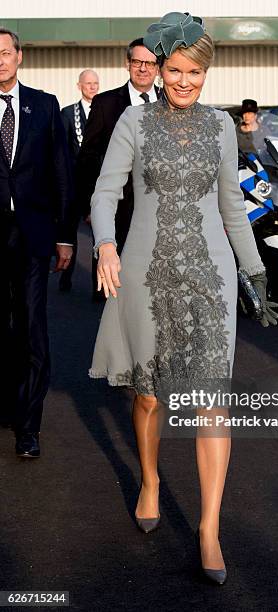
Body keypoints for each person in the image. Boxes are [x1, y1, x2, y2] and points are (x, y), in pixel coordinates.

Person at [88, 12, 278, 585]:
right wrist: (104, 244)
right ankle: (149, 479)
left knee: (210, 403)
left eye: (194, 71)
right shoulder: (132, 123)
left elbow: (231, 210)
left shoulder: (222, 127)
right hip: (144, 276)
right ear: (159, 69)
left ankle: (208, 527)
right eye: (174, 69)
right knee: (147, 398)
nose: (183, 80)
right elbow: (104, 193)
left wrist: (256, 274)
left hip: (211, 281)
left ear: (206, 72)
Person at [0, 28, 75, 456]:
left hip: (33, 235)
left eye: (6, 53)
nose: (0, 61)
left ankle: (29, 424)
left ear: (19, 57)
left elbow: (62, 174)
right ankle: (7, 404)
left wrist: (66, 236)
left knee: (31, 325)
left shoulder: (44, 107)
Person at [76, 38, 160, 301]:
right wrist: (91, 207)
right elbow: (87, 158)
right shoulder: (105, 103)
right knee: (115, 294)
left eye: (150, 63)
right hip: (118, 211)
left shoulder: (171, 103)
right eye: (138, 62)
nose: (143, 68)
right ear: (128, 64)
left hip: (161, 212)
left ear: (158, 67)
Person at [59, 69, 100, 292]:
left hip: (97, 184)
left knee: (99, 235)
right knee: (70, 234)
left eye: (95, 83)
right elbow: (62, 152)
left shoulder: (105, 111)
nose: (92, 87)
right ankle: (66, 276)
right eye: (88, 83)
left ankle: (98, 285)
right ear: (79, 86)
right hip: (75, 184)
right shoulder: (67, 114)